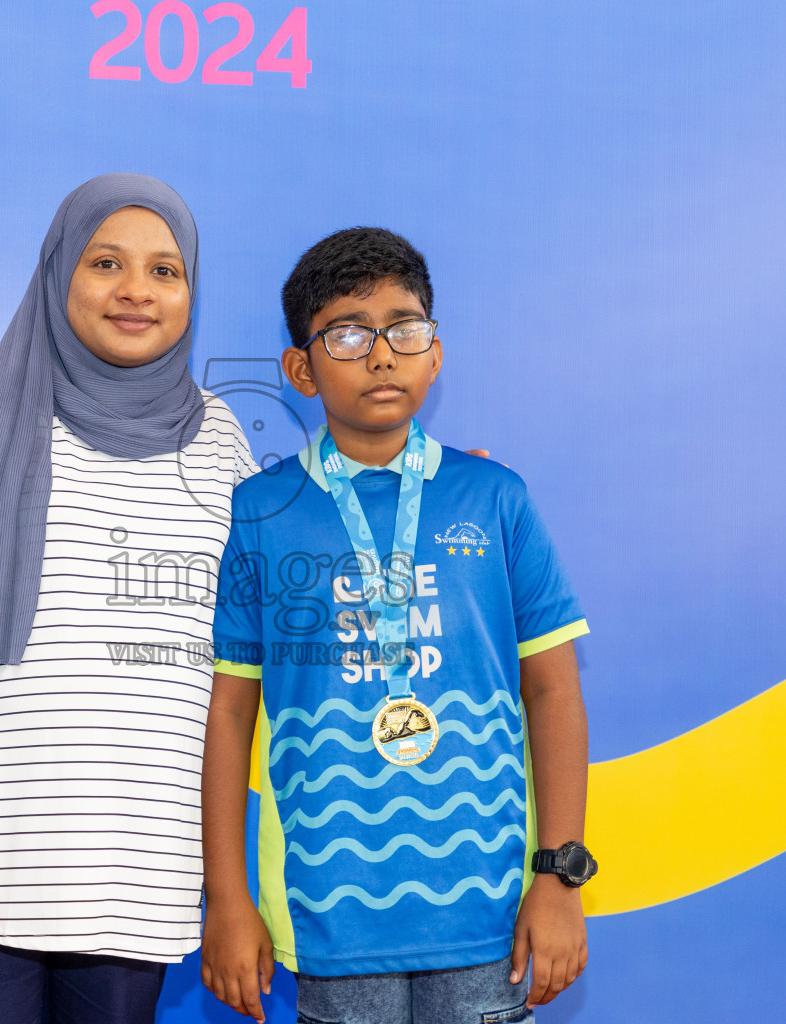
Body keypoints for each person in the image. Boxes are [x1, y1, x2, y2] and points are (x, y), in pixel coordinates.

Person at [0, 173, 258, 1024]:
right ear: (56, 273)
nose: (135, 291)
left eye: (165, 270)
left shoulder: (221, 441)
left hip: (135, 885)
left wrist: (390, 497)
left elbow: (262, 623)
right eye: (105, 262)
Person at [200, 227, 597, 1024]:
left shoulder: (495, 498)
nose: (382, 355)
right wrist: (229, 902)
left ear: (435, 352)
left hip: (485, 918)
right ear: (301, 370)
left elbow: (553, 693)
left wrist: (557, 879)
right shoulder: (261, 513)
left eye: (404, 329)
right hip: (327, 915)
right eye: (348, 333)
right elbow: (231, 713)